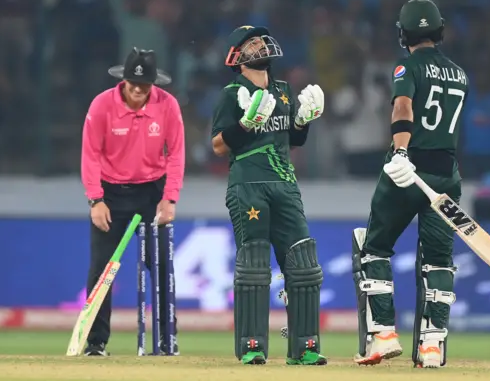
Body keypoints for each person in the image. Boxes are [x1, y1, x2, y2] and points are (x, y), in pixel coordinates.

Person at [351, 0, 469, 368]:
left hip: (409, 168)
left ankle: (384, 335)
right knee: (438, 261)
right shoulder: (460, 74)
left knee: (375, 248)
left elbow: (403, 107)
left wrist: (400, 152)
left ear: (404, 34)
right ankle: (432, 347)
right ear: (440, 30)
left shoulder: (407, 66)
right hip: (446, 174)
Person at [211, 25, 327, 366]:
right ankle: (252, 346)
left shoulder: (283, 89)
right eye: (252, 43)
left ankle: (304, 348)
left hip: (285, 184)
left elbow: (294, 140)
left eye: (262, 40)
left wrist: (304, 121)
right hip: (248, 184)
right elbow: (218, 146)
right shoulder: (231, 93)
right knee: (255, 266)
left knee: (303, 265)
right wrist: (245, 124)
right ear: (238, 56)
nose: (261, 44)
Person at [80, 47, 185, 356]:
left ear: (154, 82)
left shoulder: (167, 105)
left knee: (162, 265)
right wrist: (95, 200)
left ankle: (167, 339)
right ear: (123, 80)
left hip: (152, 193)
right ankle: (96, 342)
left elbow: (176, 154)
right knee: (102, 269)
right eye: (133, 84)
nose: (138, 91)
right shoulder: (101, 105)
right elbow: (90, 155)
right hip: (110, 194)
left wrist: (170, 199)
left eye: (145, 85)